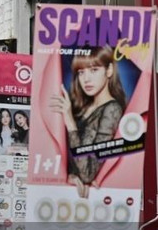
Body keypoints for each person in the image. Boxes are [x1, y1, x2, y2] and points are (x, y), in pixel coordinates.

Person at [50, 46, 126, 198]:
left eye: (94, 70)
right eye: (81, 72)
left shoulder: (112, 110)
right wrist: (68, 176)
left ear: (109, 70)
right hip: (69, 196)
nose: (86, 79)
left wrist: (70, 123)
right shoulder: (82, 106)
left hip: (95, 202)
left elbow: (87, 174)